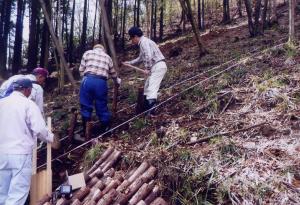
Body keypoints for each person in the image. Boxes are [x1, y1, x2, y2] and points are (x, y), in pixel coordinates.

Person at [0, 78, 54, 205]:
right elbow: (40, 130)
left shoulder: (1, 103)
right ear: (27, 90)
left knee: (2, 191)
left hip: (1, 153)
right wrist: (51, 138)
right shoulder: (28, 104)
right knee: (17, 193)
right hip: (20, 153)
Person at [79, 44, 121, 140]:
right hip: (101, 82)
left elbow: (81, 70)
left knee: (85, 105)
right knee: (102, 105)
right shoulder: (108, 57)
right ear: (103, 50)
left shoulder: (87, 53)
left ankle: (86, 130)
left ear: (94, 48)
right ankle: (105, 129)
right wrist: (117, 81)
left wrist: (86, 78)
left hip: (87, 80)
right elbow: (113, 73)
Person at [123, 27, 167, 115]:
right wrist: (130, 63)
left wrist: (147, 68)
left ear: (135, 36)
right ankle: (146, 109)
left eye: (132, 39)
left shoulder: (144, 42)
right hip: (155, 67)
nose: (132, 41)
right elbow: (141, 58)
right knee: (147, 88)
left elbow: (148, 55)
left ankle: (151, 112)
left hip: (158, 66)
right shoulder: (144, 42)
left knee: (151, 88)